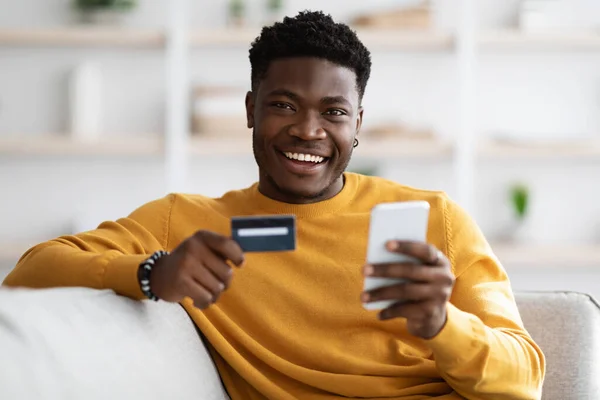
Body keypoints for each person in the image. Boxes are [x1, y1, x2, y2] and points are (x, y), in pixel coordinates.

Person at [3, 10, 544, 400]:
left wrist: (440, 324)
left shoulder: (437, 219)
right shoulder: (184, 223)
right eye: (284, 105)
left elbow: (524, 381)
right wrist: (153, 274)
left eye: (333, 112)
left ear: (357, 125)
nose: (308, 130)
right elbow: (28, 274)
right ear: (250, 110)